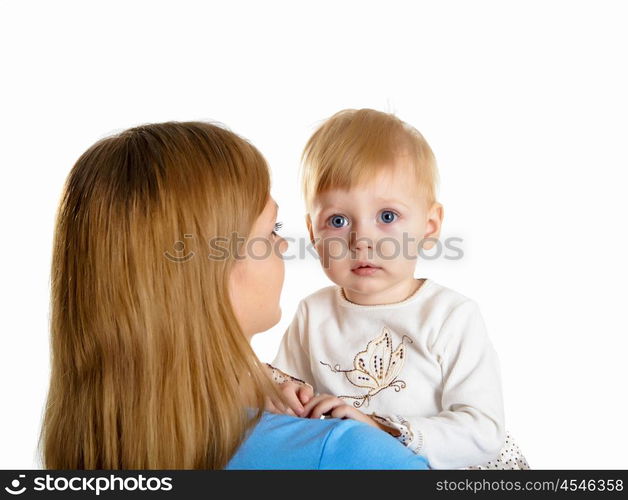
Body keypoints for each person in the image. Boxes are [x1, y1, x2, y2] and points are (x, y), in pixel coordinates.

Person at [39, 120, 430, 470]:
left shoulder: (91, 450)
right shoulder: (344, 453)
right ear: (205, 273)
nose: (283, 248)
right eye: (270, 230)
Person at [269, 109, 530, 470]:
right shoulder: (312, 314)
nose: (362, 241)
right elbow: (289, 410)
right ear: (313, 235)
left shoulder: (450, 316)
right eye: (338, 221)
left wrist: (384, 428)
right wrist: (286, 397)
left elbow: (484, 432)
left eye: (387, 217)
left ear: (429, 225)